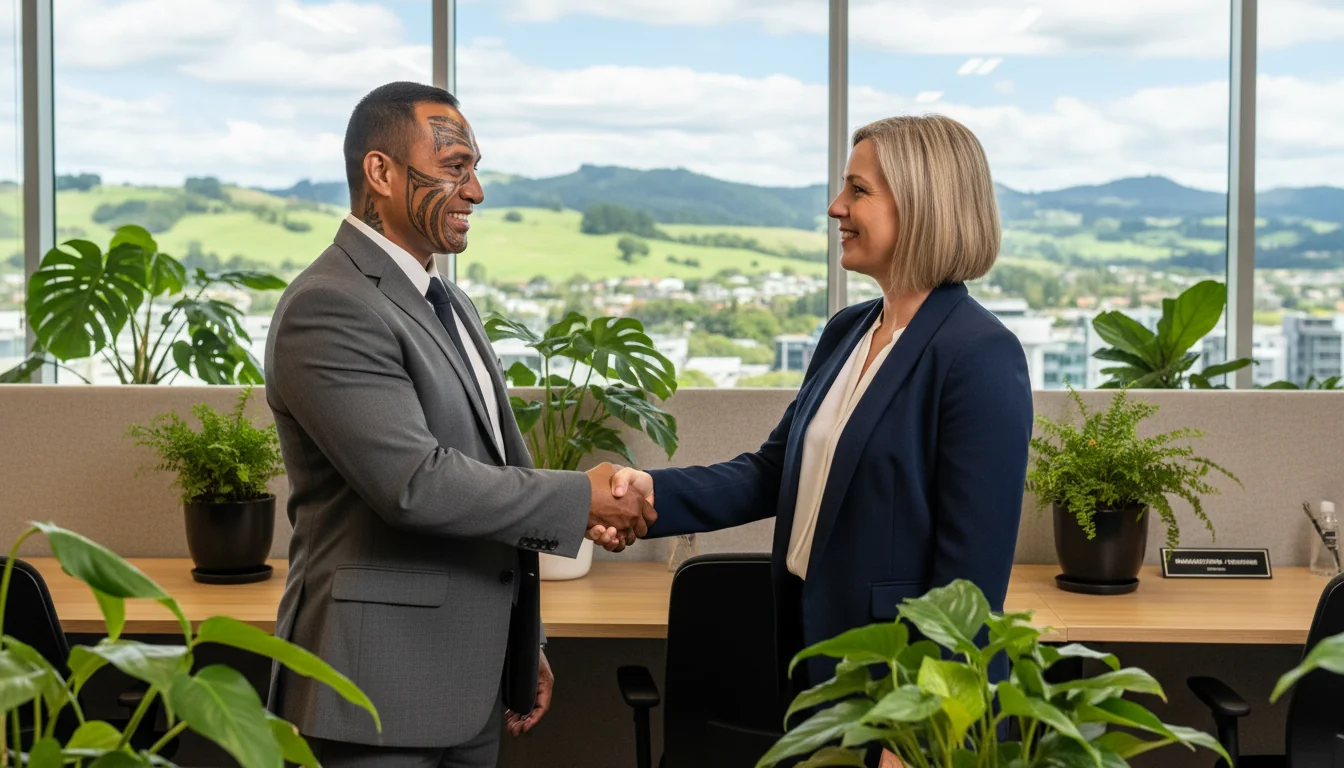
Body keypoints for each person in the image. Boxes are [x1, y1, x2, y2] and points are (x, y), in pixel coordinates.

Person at [263, 81, 651, 768]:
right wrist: (579, 495)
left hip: (468, 683)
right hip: (374, 693)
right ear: (379, 173)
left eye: (475, 169)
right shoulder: (331, 305)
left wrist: (523, 641)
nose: (476, 192)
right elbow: (414, 484)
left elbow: (496, 467)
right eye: (454, 168)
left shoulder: (448, 300)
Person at [612, 114, 1032, 697]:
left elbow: (970, 586)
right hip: (815, 660)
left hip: (899, 686)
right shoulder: (849, 331)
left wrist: (924, 731)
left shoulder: (979, 354)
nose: (836, 207)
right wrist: (648, 493)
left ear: (922, 206)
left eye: (858, 191)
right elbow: (772, 472)